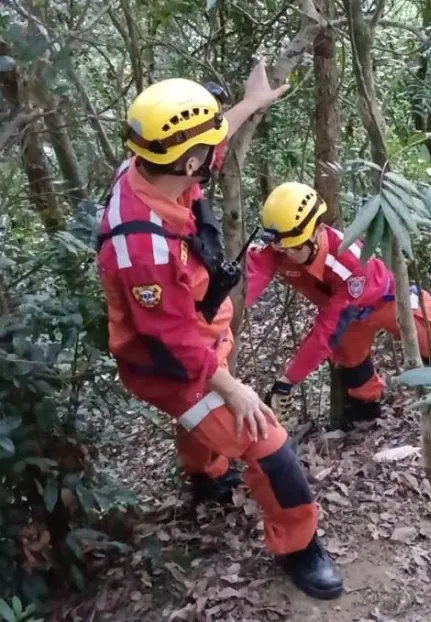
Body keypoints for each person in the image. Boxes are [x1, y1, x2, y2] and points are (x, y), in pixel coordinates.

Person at [95, 61, 343, 600]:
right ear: (187, 161)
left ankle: (206, 475)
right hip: (171, 366)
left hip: (196, 341)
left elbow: (199, 138)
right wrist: (234, 388)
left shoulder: (148, 165)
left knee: (202, 424)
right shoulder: (141, 248)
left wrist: (251, 103)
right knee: (268, 444)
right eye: (205, 151)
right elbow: (172, 340)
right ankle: (299, 546)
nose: (214, 154)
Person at [247, 182, 431, 438]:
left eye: (296, 247)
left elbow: (326, 330)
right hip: (343, 312)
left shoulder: (348, 263)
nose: (287, 254)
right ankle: (366, 409)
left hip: (382, 300)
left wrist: (288, 380)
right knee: (350, 358)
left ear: (317, 231)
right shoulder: (282, 246)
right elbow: (247, 282)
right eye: (281, 248)